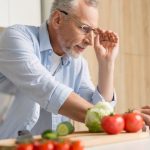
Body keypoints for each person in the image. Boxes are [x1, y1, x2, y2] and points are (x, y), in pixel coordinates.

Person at [0, 0, 119, 138]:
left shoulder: (78, 64)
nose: (90, 41)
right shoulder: (16, 38)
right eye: (85, 28)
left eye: (93, 32)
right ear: (57, 19)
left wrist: (107, 64)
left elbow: (94, 109)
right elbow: (48, 89)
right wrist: (116, 121)